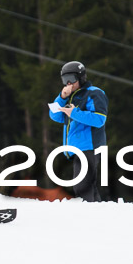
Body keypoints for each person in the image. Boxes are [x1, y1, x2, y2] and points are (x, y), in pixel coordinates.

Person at [48, 61, 108, 202]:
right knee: (86, 187)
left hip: (90, 146)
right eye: (65, 80)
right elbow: (55, 115)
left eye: (72, 79)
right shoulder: (70, 96)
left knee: (83, 187)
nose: (68, 83)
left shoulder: (95, 93)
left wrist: (74, 112)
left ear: (81, 78)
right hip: (77, 148)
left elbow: (99, 119)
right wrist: (62, 98)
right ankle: (99, 215)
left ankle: (88, 217)